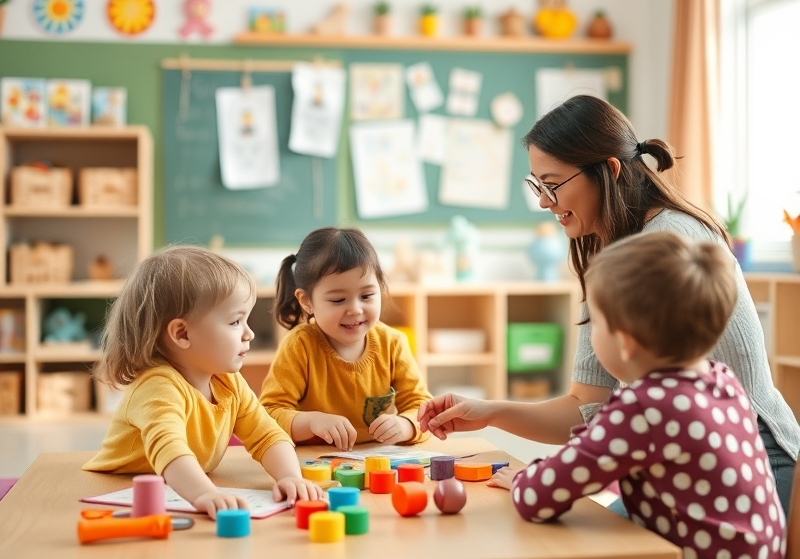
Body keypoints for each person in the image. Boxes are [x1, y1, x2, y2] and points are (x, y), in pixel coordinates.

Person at [418, 95, 799, 515]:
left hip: (749, 466)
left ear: (609, 170)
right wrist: (492, 412)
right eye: (537, 185)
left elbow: (596, 435)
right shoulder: (616, 256)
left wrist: (536, 482)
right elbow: (588, 409)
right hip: (684, 470)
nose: (544, 201)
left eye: (552, 184)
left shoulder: (663, 250)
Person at [494, 231, 787, 557]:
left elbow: (539, 497)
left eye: (596, 324)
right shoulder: (722, 381)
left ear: (625, 341)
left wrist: (524, 480)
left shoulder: (645, 407)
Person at [83, 246, 323, 519]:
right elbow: (170, 449)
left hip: (177, 490)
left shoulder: (228, 382)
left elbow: (267, 434)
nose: (249, 333)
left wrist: (290, 477)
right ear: (182, 334)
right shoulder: (157, 387)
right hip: (113, 493)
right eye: (235, 322)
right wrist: (204, 494)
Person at [260, 227, 432, 451]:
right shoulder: (299, 346)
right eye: (338, 300)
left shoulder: (393, 343)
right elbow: (269, 413)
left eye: (366, 296)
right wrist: (312, 422)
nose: (355, 310)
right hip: (315, 460)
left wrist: (405, 425)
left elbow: (423, 408)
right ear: (307, 301)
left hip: (378, 459)